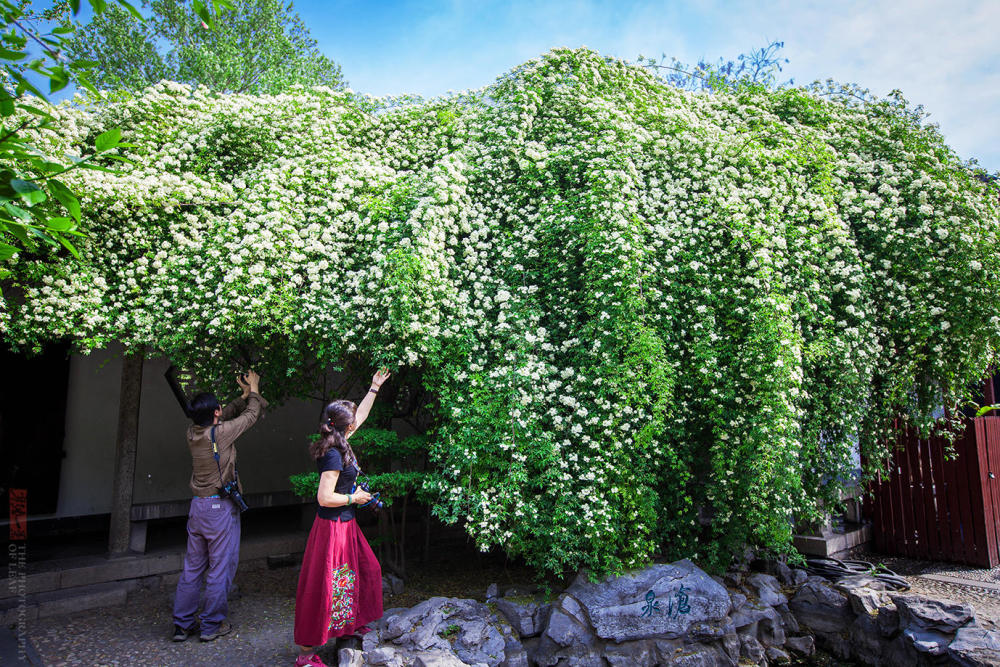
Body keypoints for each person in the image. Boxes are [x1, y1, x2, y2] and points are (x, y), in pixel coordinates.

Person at [293, 368, 390, 667]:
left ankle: (349, 625)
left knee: (363, 571)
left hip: (345, 524)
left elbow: (359, 415)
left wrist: (374, 388)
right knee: (324, 586)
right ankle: (306, 655)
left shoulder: (340, 437)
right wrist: (354, 498)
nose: (356, 423)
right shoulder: (334, 453)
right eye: (353, 421)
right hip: (332, 526)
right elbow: (324, 497)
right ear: (345, 427)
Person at [172, 369, 268, 642]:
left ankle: (182, 625)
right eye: (220, 409)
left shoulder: (193, 432)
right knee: (219, 569)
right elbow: (250, 417)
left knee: (192, 567)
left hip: (198, 508)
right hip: (219, 510)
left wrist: (243, 395)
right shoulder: (222, 435)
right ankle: (211, 625)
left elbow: (225, 415)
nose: (222, 410)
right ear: (215, 413)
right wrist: (255, 389)